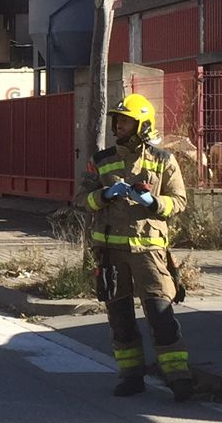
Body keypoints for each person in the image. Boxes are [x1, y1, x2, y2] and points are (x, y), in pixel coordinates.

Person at [74, 92, 194, 401]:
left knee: (161, 317)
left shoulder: (163, 160)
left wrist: (154, 201)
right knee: (120, 320)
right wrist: (104, 195)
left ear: (142, 125)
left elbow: (179, 201)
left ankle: (178, 377)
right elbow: (81, 199)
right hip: (111, 255)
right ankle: (131, 377)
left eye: (125, 121)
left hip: (149, 256)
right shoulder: (101, 161)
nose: (119, 126)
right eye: (117, 120)